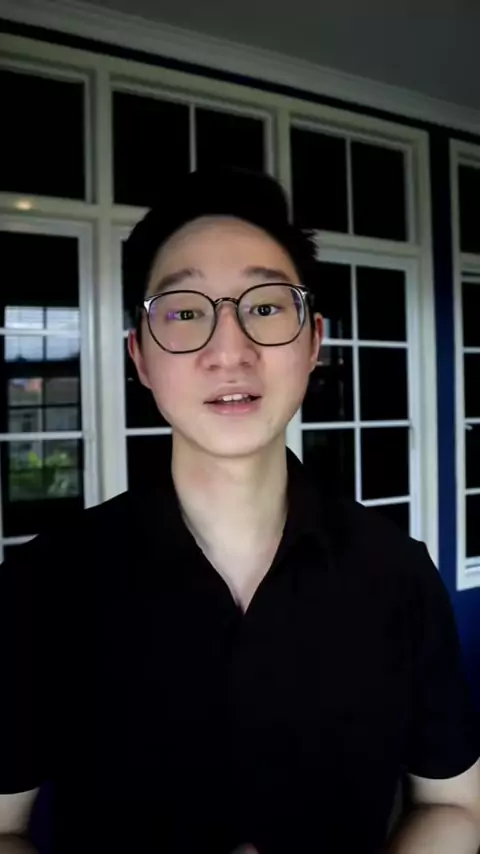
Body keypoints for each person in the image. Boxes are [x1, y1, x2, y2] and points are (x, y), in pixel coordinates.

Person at [0, 169, 479, 854]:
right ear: (141, 357)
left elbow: (454, 803)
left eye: (266, 306)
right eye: (185, 312)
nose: (230, 351)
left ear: (313, 343)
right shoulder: (44, 584)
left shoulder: (399, 574)